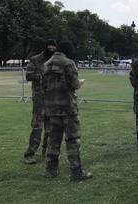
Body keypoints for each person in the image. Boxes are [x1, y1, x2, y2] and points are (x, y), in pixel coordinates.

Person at [43, 41, 92, 181]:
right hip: (68, 108)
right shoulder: (68, 63)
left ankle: (50, 170)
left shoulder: (46, 64)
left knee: (53, 140)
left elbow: (43, 86)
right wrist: (80, 82)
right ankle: (77, 172)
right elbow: (75, 84)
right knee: (72, 140)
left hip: (52, 108)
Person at [23, 39, 57, 164]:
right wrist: (43, 75)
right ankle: (30, 154)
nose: (51, 50)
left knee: (50, 128)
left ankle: (46, 153)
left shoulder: (55, 60)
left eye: (54, 48)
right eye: (49, 48)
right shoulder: (35, 59)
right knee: (37, 127)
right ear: (45, 47)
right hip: (39, 99)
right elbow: (28, 76)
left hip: (53, 99)